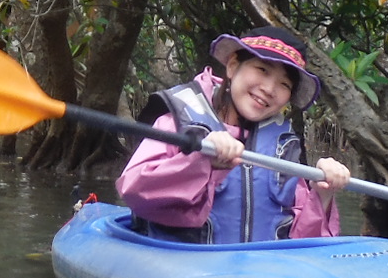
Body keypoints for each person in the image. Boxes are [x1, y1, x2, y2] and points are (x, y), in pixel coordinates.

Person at [116, 25, 352, 243]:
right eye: (262, 69)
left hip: (256, 275)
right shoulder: (178, 123)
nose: (269, 89)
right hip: (188, 268)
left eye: (284, 85)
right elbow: (135, 192)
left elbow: (303, 242)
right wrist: (200, 161)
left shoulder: (283, 147)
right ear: (232, 66)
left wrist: (323, 193)